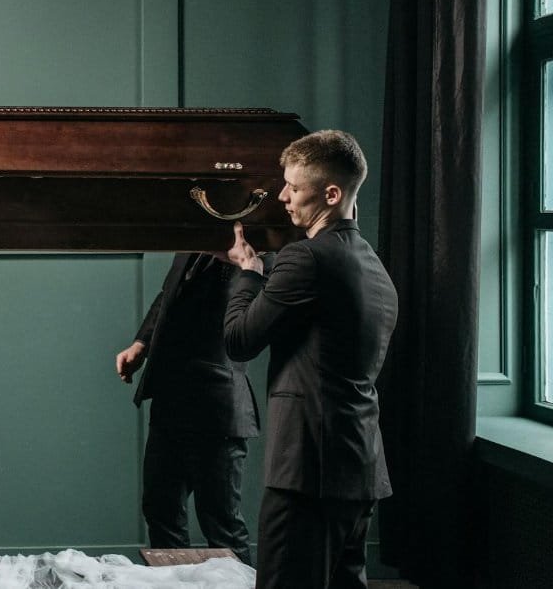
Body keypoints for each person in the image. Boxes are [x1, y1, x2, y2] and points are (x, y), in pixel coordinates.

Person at [222, 129, 398, 589]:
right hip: (361, 468)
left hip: (308, 473)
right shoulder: (374, 266)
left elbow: (239, 341)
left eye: (294, 187)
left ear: (332, 193)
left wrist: (248, 275)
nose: (282, 196)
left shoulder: (306, 259)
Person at [115, 253, 260, 565]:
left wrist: (244, 263)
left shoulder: (259, 253)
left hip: (219, 409)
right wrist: (141, 344)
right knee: (160, 512)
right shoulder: (191, 242)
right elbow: (169, 295)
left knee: (222, 526)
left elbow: (247, 322)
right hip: (170, 401)